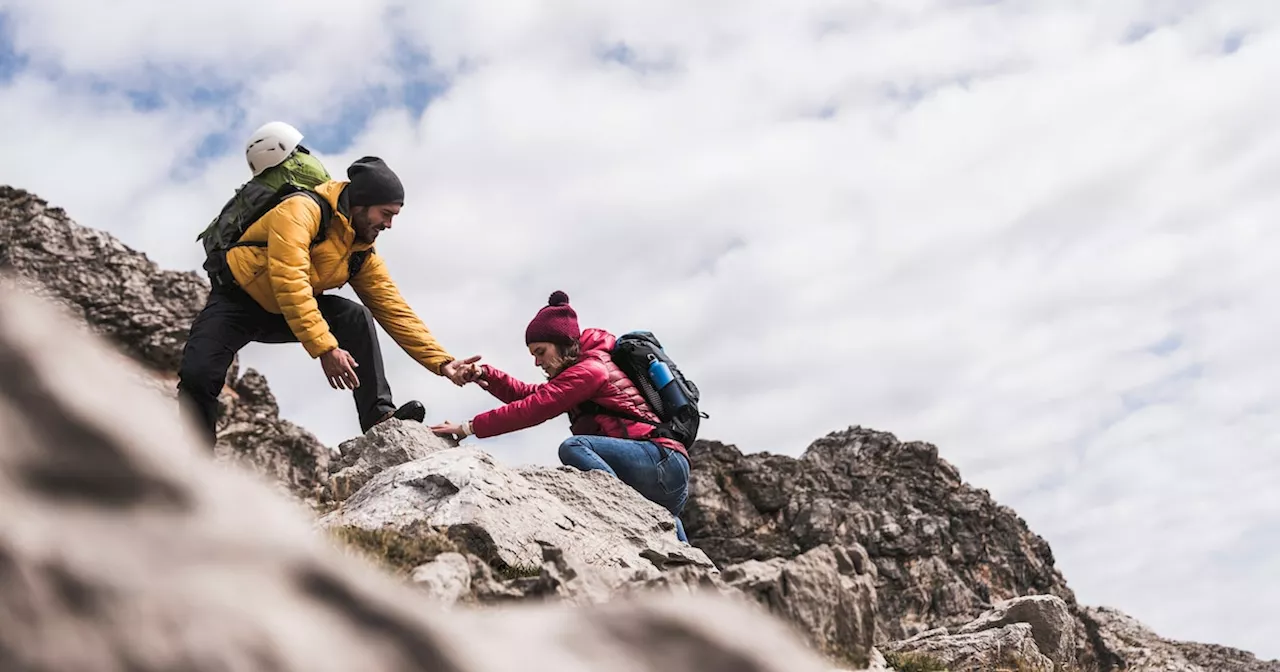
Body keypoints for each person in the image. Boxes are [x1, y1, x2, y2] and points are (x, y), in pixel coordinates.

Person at [177, 131, 478, 447]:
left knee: (355, 316)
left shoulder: (360, 251)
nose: (389, 225)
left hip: (285, 311)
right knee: (198, 375)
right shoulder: (300, 210)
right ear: (361, 204)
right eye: (385, 214)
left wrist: (444, 363)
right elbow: (289, 280)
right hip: (237, 302)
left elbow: (395, 309)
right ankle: (197, 461)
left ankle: (379, 417)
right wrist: (325, 348)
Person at [430, 291, 691, 542]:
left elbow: (534, 408)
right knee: (669, 525)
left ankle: (620, 511)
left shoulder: (591, 370)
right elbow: (529, 395)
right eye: (533, 355)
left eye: (541, 352)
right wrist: (485, 373)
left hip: (661, 461)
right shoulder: (582, 371)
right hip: (665, 470)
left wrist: (467, 428)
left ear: (562, 343)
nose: (537, 362)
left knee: (574, 447)